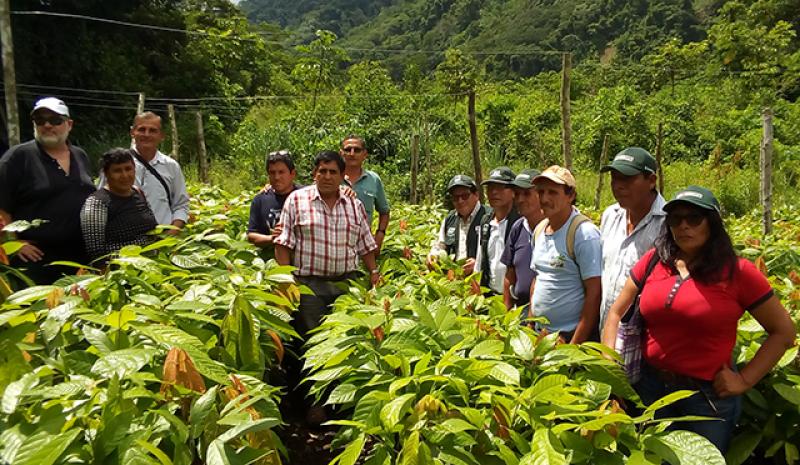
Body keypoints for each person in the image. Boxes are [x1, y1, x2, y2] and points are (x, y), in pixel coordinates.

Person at [601, 186, 795, 453]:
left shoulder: (737, 272)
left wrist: (745, 380)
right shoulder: (655, 261)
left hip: (706, 399)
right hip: (649, 389)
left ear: (712, 224)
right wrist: (611, 365)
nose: (683, 226)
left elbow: (783, 332)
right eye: (675, 219)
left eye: (694, 218)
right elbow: (615, 312)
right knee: (646, 457)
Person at [274, 150, 379, 425]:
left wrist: (374, 272)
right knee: (312, 345)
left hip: (346, 285)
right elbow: (283, 243)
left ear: (342, 175)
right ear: (314, 173)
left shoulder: (353, 205)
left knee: (346, 344)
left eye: (333, 172)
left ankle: (342, 404)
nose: (327, 176)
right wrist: (286, 280)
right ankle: (315, 404)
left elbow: (365, 243)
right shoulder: (298, 200)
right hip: (310, 286)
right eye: (322, 171)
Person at [0, 97, 95, 283]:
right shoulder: (18, 157)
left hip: (79, 257)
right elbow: (2, 207)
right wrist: (13, 244)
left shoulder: (80, 155)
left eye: (55, 120)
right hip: (35, 260)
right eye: (40, 120)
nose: (47, 125)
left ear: (69, 124)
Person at [529, 165, 602, 343]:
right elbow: (538, 278)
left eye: (553, 192)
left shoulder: (583, 234)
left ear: (570, 195)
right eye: (541, 192)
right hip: (540, 335)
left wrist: (573, 347)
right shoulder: (540, 229)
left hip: (568, 336)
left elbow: (594, 292)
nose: (545, 198)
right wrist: (530, 324)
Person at [599, 147, 666, 330]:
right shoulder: (610, 215)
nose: (618, 185)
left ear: (651, 181)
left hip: (644, 337)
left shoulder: (668, 224)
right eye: (615, 178)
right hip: (606, 332)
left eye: (627, 179)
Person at [100, 112, 189, 232]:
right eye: (142, 129)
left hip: (163, 241)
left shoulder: (171, 167)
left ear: (161, 135)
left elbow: (181, 205)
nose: (146, 135)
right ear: (132, 132)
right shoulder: (115, 165)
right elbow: (101, 201)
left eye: (153, 130)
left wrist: (171, 233)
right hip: (125, 243)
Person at [80, 148, 158, 266]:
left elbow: (154, 229)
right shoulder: (97, 203)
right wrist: (137, 257)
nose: (124, 175)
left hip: (151, 266)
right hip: (118, 274)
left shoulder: (137, 193)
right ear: (106, 174)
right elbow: (96, 252)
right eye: (117, 171)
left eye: (128, 169)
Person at [501, 169, 544, 309]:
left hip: (548, 318)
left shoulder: (553, 228)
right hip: (521, 312)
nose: (520, 200)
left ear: (540, 195)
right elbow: (509, 275)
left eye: (526, 194)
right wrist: (506, 314)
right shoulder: (518, 228)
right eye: (517, 194)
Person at [427, 174, 485, 275]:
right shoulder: (449, 219)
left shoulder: (489, 217)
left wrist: (479, 264)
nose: (460, 201)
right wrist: (433, 256)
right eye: (455, 197)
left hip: (480, 282)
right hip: (454, 281)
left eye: (465, 196)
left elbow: (499, 256)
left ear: (476, 195)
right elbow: (440, 245)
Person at [475, 166, 520, 295]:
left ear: (513, 192)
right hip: (488, 295)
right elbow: (480, 259)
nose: (494, 192)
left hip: (512, 298)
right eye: (490, 188)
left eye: (500, 187)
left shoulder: (520, 222)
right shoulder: (485, 222)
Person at [340, 135, 390, 251]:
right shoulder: (330, 178)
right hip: (335, 245)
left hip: (364, 246)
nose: (352, 154)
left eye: (357, 150)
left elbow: (384, 211)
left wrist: (379, 236)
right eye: (348, 149)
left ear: (364, 154)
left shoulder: (373, 179)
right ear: (341, 153)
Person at [247, 150, 301, 250]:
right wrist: (272, 238)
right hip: (270, 261)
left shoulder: (304, 196)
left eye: (281, 172)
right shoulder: (260, 199)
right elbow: (251, 235)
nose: (277, 177)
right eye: (272, 172)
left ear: (292, 174)